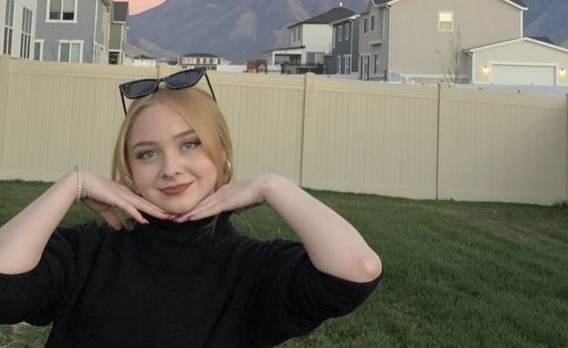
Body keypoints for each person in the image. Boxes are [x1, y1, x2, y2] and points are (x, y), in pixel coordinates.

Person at [0, 69, 382, 347]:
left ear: (222, 153)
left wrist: (273, 186)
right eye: (147, 153)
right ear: (130, 170)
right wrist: (73, 184)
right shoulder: (88, 251)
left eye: (190, 144)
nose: (171, 168)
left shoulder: (252, 269)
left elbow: (356, 271)